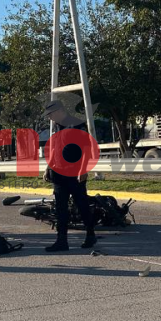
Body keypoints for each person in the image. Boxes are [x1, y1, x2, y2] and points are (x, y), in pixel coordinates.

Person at [43, 100, 96, 252]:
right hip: (58, 173)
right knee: (61, 208)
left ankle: (90, 234)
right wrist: (48, 167)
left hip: (74, 172)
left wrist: (84, 169)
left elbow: (86, 148)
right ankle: (61, 241)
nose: (50, 118)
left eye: (50, 114)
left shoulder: (78, 124)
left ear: (59, 111)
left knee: (81, 204)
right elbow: (55, 148)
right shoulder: (57, 126)